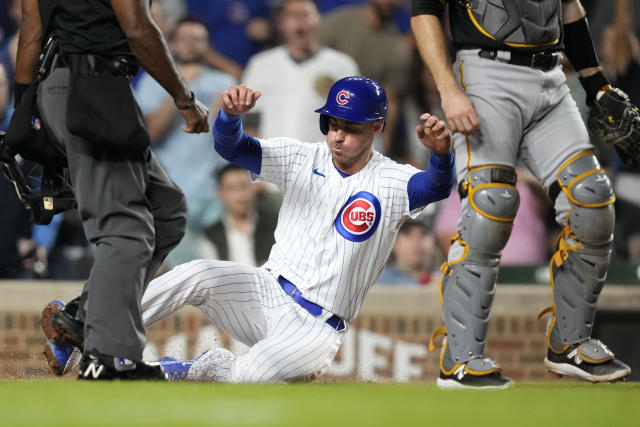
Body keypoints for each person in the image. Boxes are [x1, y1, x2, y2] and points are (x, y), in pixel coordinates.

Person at [42, 76, 456, 383]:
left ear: (377, 127)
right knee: (198, 273)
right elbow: (233, 148)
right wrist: (230, 119)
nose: (337, 134)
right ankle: (88, 330)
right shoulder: (301, 156)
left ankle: (198, 369)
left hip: (316, 326)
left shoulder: (391, 180)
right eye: (331, 122)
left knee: (247, 379)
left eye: (350, 126)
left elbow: (435, 186)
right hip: (265, 290)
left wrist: (440, 156)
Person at [411, 0, 632, 389]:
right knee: (489, 207)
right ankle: (460, 356)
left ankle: (571, 341)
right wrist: (448, 89)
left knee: (592, 199)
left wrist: (596, 82)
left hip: (551, 77)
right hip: (483, 73)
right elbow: (424, 10)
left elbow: (569, 8)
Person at [18, 0, 209, 380]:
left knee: (165, 211)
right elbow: (138, 27)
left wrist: (26, 102)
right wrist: (184, 98)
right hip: (91, 88)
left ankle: (83, 317)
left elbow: (31, 25)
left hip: (70, 84)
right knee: (125, 230)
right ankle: (109, 359)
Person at [136, 15, 236, 266]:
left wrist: (226, 115)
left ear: (208, 46)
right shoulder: (153, 81)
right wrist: (178, 86)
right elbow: (150, 132)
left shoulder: (224, 84)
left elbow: (234, 140)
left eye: (198, 39)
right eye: (185, 39)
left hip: (215, 195)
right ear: (172, 45)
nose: (191, 45)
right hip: (170, 191)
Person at [242, 0, 359, 142]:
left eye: (306, 15)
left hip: (324, 159)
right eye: (292, 16)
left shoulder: (342, 65)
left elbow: (352, 121)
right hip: (272, 159)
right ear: (282, 25)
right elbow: (251, 120)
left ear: (320, 21)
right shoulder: (261, 64)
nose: (300, 22)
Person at [320, 0, 410, 155]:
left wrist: (384, 144)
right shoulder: (339, 22)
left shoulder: (396, 45)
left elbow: (391, 99)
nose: (391, 3)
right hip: (325, 109)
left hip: (360, 123)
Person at [196, 164, 278, 267]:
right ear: (219, 193)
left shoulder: (276, 225)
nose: (240, 194)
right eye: (231, 188)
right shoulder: (209, 236)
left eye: (244, 186)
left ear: (255, 188)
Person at [376, 219, 439, 285]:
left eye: (423, 234)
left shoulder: (445, 278)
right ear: (394, 242)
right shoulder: (378, 280)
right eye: (408, 234)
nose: (416, 241)